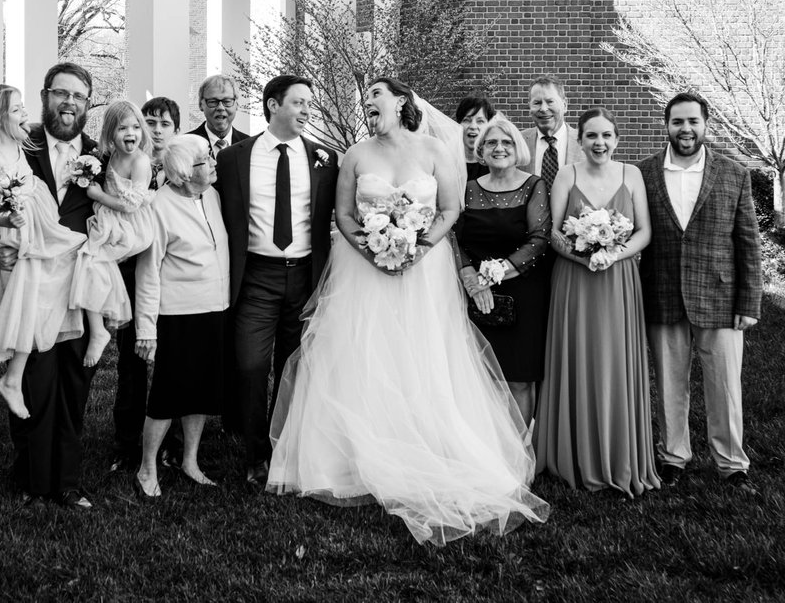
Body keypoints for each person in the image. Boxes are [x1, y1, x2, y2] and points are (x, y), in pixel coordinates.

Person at [267, 77, 548, 545]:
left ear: (400, 101)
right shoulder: (355, 154)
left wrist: (416, 250)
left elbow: (450, 209)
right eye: (366, 100)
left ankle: (425, 446)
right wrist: (374, 249)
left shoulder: (437, 150)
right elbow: (344, 215)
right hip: (364, 270)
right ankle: (353, 458)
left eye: (375, 94)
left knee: (421, 353)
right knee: (365, 353)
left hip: (423, 270)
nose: (368, 103)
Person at [0, 62, 99, 510]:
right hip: (27, 286)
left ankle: (67, 480)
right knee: (33, 381)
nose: (69, 103)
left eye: (79, 96)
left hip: (78, 289)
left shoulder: (101, 154)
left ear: (88, 104)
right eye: (61, 93)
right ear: (46, 96)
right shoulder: (16, 147)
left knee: (74, 383)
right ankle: (30, 476)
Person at [215, 74, 339, 486]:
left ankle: (281, 448)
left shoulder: (324, 158)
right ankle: (255, 455)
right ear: (272, 105)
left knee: (293, 367)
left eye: (309, 104)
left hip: (304, 276)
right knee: (250, 365)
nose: (306, 111)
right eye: (299, 103)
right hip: (256, 276)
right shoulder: (234, 158)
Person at [638, 92, 762, 493]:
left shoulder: (734, 174)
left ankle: (731, 463)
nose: (685, 129)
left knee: (725, 385)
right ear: (667, 125)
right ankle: (674, 457)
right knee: (670, 383)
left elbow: (748, 244)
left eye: (692, 121)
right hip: (664, 294)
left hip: (721, 298)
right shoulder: (643, 173)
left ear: (706, 124)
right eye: (677, 122)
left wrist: (749, 302)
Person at [535, 107, 660, 497]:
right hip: (574, 280)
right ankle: (571, 454)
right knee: (578, 357)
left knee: (615, 360)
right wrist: (583, 257)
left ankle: (619, 454)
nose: (599, 143)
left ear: (617, 140)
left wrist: (613, 256)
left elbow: (643, 233)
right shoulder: (566, 175)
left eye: (607, 136)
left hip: (618, 281)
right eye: (592, 136)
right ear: (581, 139)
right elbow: (553, 233)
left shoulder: (632, 175)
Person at [0, 85, 86, 420]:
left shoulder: (18, 147)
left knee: (54, 280)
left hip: (36, 225)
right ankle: (12, 379)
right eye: (16, 110)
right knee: (26, 298)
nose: (25, 114)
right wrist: (7, 217)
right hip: (16, 231)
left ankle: (11, 375)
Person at [133, 135, 230, 497]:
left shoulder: (213, 195)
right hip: (177, 314)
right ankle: (146, 468)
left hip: (214, 309)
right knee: (168, 395)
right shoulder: (159, 206)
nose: (214, 161)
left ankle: (190, 460)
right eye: (206, 159)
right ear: (186, 174)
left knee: (202, 391)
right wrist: (147, 328)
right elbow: (148, 271)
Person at [454, 114, 551, 425]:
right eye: (491, 142)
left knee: (519, 378)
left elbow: (539, 239)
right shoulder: (466, 189)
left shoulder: (534, 185)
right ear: (481, 149)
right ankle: (490, 450)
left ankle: (522, 451)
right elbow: (453, 238)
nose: (499, 147)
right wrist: (472, 278)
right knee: (481, 376)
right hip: (474, 295)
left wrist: (495, 273)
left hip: (524, 292)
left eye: (506, 141)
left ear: (517, 147)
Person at [110, 97, 182, 472]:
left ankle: (168, 441)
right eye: (148, 122)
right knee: (130, 360)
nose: (154, 130)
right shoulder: (125, 163)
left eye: (163, 124)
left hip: (168, 274)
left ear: (175, 130)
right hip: (128, 269)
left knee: (168, 360)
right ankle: (125, 443)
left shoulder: (180, 172)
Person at [70, 100, 155, 366]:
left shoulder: (140, 161)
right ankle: (98, 328)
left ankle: (99, 332)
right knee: (90, 263)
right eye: (122, 128)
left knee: (92, 261)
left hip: (132, 227)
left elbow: (131, 205)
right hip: (112, 220)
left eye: (135, 127)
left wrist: (97, 194)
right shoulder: (112, 156)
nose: (130, 133)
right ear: (109, 133)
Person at [519, 75, 583, 191]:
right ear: (530, 107)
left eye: (550, 101)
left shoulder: (584, 143)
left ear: (565, 105)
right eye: (537, 102)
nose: (543, 108)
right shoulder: (518, 142)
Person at [188, 74, 249, 155]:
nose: (220, 107)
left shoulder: (250, 146)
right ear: (200, 104)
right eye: (213, 101)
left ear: (237, 105)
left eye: (227, 101)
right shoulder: (186, 145)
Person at [454, 92, 497, 181]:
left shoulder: (495, 164)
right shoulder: (448, 162)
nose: (473, 126)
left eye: (480, 121)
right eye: (467, 120)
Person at [143, 96, 180, 188]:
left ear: (176, 131)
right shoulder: (126, 161)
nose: (157, 130)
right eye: (151, 123)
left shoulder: (182, 169)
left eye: (165, 124)